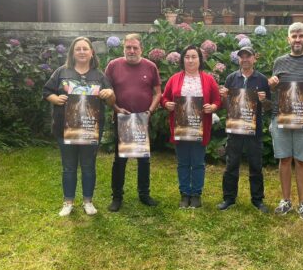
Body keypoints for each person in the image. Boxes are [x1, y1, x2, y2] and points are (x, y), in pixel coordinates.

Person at [43, 36, 115, 216]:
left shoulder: (99, 75)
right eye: (78, 49)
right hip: (65, 128)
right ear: (73, 53)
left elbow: (112, 101)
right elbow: (46, 91)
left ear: (92, 53)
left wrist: (109, 93)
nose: (82, 52)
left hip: (91, 129)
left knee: (89, 165)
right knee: (68, 166)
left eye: (85, 49)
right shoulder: (61, 72)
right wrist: (55, 99)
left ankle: (88, 201)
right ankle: (68, 202)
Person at [268, 22, 303, 221]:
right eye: (294, 36)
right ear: (288, 39)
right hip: (281, 116)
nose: (297, 39)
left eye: (301, 35)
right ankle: (285, 201)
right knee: (284, 159)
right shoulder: (279, 62)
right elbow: (274, 91)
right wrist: (272, 84)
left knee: (302, 161)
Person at [105, 33, 162, 211]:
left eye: (135, 47)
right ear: (123, 48)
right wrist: (116, 108)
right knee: (119, 160)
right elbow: (106, 91)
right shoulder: (113, 66)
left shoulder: (151, 67)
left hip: (143, 119)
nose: (131, 50)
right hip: (122, 118)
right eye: (128, 47)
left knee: (144, 160)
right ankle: (117, 198)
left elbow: (157, 93)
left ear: (141, 49)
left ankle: (144, 194)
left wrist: (150, 111)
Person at [161, 45, 221, 208]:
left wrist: (213, 107)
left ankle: (196, 194)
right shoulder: (175, 79)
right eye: (187, 57)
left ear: (200, 60)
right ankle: (184, 194)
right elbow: (164, 98)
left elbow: (217, 100)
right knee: (183, 163)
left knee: (198, 162)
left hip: (199, 127)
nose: (190, 60)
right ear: (182, 60)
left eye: (194, 57)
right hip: (180, 127)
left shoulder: (208, 79)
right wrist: (167, 104)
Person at [217, 47, 271, 213]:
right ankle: (229, 198)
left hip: (254, 129)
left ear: (254, 58)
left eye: (248, 56)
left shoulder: (262, 79)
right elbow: (226, 107)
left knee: (256, 163)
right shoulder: (231, 78)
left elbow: (269, 107)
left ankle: (257, 200)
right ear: (238, 59)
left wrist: (263, 100)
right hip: (235, 128)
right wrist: (224, 97)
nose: (245, 59)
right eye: (242, 57)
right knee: (231, 163)